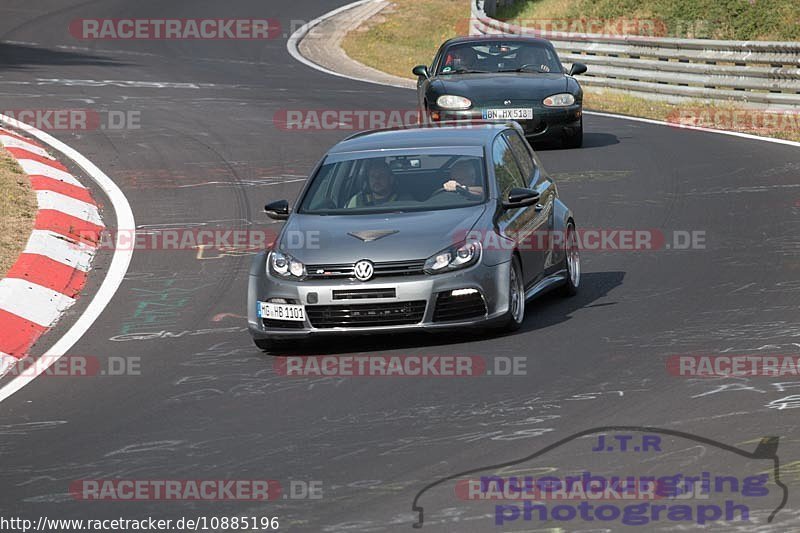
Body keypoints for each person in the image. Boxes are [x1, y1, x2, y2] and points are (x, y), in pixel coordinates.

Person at [346, 160, 410, 208]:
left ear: (391, 179)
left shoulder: (405, 200)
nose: (376, 179)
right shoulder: (357, 200)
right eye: (372, 176)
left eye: (381, 175)